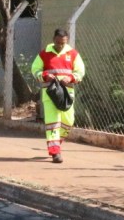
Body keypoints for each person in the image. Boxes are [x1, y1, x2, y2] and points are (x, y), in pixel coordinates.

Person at [31, 28, 85, 163]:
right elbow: (35, 69)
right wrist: (44, 75)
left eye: (63, 43)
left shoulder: (72, 54)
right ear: (53, 39)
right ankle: (55, 152)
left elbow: (80, 72)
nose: (60, 45)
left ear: (66, 41)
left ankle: (56, 143)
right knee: (53, 123)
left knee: (68, 121)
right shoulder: (44, 54)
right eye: (58, 42)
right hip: (49, 93)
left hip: (67, 94)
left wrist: (71, 78)